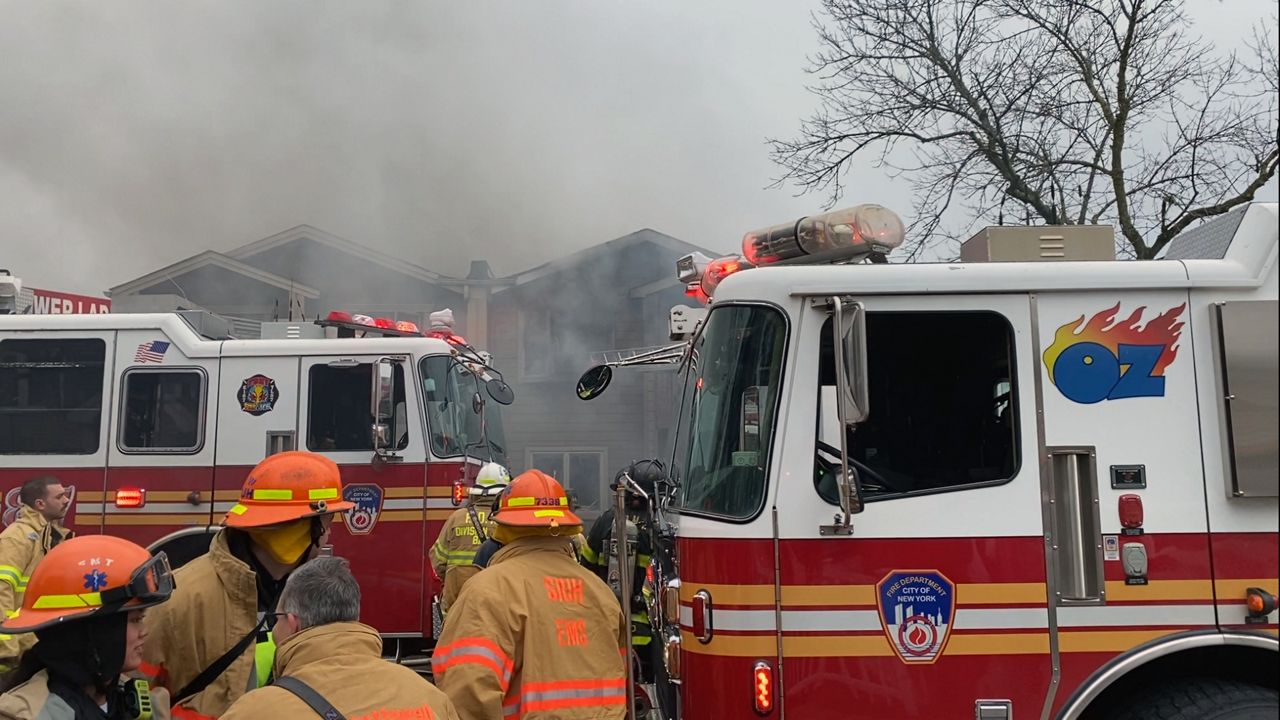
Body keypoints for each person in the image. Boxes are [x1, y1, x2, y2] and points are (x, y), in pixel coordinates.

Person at [137, 451, 354, 720]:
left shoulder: (306, 596)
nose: (329, 534)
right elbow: (133, 695)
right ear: (300, 531)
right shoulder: (181, 599)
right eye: (327, 522)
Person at [432, 469, 627, 720]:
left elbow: (467, 691)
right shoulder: (600, 592)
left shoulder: (488, 591)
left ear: (502, 526)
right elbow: (620, 674)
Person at [221, 557, 459, 720]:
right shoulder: (432, 699)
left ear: (294, 623)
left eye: (277, 618)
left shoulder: (253, 712)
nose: (274, 629)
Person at [0, 535, 175, 720]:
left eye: (142, 618)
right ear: (93, 632)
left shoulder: (130, 699)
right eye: (134, 620)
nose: (144, 631)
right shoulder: (29, 714)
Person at [580, 459, 665, 679]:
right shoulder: (661, 525)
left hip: (607, 627)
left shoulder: (607, 521)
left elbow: (584, 568)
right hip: (649, 633)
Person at [0, 477, 73, 673]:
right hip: (11, 655)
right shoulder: (17, 538)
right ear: (40, 504)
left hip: (29, 641)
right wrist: (6, 646)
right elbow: (1, 591)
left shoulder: (45, 535)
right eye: (59, 496)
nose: (66, 500)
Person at [430, 462, 508, 615]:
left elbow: (437, 560)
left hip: (456, 606)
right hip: (494, 606)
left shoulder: (456, 518)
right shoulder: (506, 522)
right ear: (502, 494)